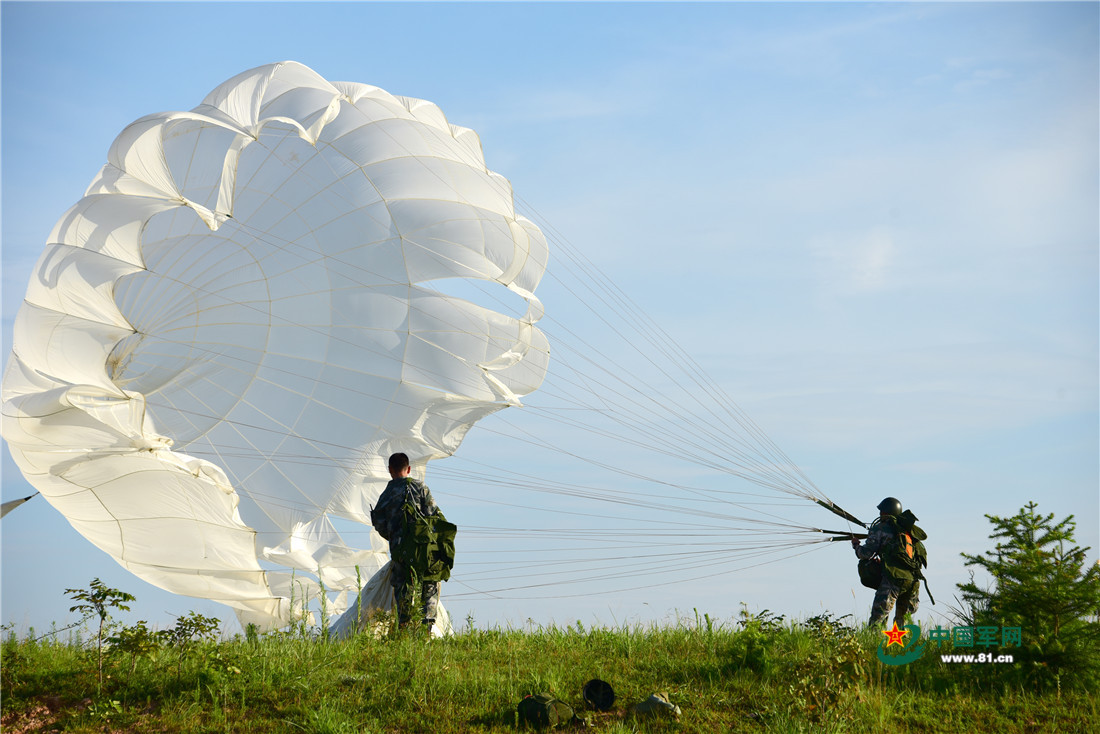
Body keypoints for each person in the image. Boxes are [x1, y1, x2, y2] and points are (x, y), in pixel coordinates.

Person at [372, 452, 443, 631]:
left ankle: (404, 627)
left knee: (403, 588)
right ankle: (427, 630)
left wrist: (395, 536)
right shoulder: (420, 488)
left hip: (400, 551)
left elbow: (379, 524)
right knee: (429, 584)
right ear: (409, 468)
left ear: (390, 470)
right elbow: (435, 516)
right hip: (423, 549)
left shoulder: (386, 494)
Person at [852, 496, 920, 628]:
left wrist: (856, 546)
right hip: (912, 581)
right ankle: (902, 647)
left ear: (885, 512)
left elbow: (865, 554)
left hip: (893, 579)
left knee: (878, 618)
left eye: (881, 512)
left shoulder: (880, 528)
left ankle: (873, 645)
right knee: (903, 624)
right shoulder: (907, 531)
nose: (880, 514)